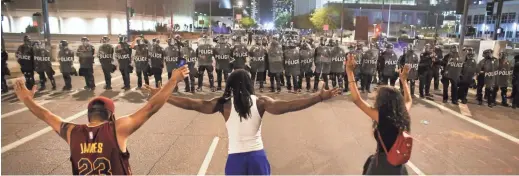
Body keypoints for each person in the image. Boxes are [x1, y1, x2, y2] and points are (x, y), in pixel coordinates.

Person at [144, 69, 340, 175]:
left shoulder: (222, 105)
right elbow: (289, 106)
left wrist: (163, 94)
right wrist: (318, 97)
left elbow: (191, 104)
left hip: (235, 160)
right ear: (249, 84)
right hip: (257, 158)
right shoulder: (261, 102)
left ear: (229, 84)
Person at [12, 65, 189, 175]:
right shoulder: (116, 129)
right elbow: (151, 108)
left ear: (89, 115)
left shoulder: (72, 132)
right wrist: (173, 81)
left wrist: (27, 99)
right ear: (111, 116)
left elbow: (46, 115)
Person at [345, 55, 412, 175]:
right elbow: (408, 101)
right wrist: (404, 80)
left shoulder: (382, 116)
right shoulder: (403, 114)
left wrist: (349, 72)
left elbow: (357, 100)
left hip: (382, 166)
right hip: (398, 167)